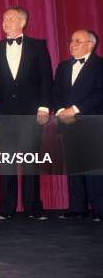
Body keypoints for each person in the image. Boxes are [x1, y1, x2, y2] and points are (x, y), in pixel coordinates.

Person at [0, 6, 53, 220]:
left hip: (30, 114)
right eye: (4, 19)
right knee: (6, 161)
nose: (6, 22)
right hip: (3, 115)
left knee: (30, 161)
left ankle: (33, 207)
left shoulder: (38, 46)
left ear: (23, 22)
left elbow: (46, 78)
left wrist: (43, 107)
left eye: (11, 19)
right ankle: (6, 208)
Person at [53, 30, 103, 221]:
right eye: (71, 40)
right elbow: (55, 90)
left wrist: (74, 109)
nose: (72, 44)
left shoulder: (100, 65)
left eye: (77, 41)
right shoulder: (63, 66)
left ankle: (99, 209)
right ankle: (77, 208)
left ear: (90, 44)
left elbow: (100, 93)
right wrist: (59, 111)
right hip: (68, 122)